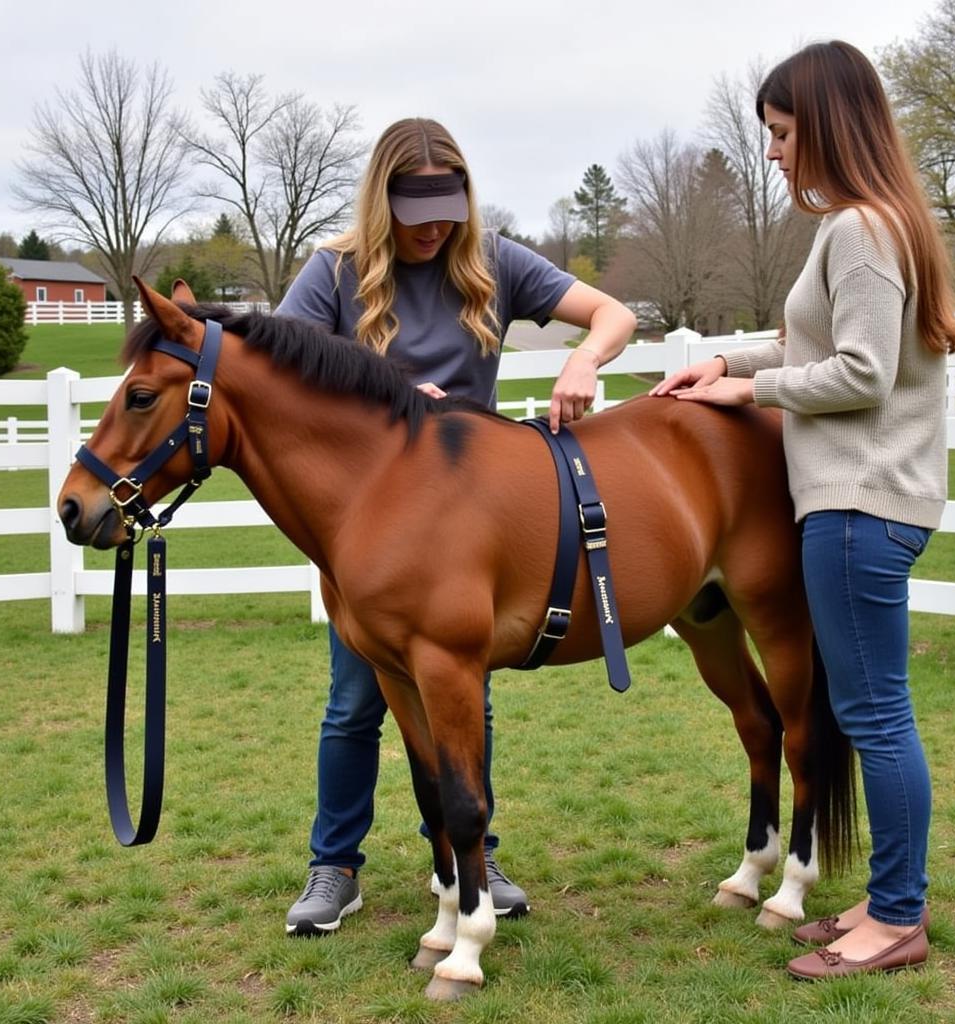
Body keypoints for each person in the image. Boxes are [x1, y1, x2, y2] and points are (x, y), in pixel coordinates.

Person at [276, 117, 636, 936]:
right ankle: (334, 867)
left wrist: (585, 357)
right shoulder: (335, 271)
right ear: (383, 202)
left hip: (467, 520)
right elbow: (282, 370)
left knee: (462, 695)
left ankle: (471, 856)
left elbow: (612, 313)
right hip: (374, 525)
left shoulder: (493, 261)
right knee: (352, 703)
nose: (433, 227)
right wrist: (386, 388)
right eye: (415, 211)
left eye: (447, 206)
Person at [650, 41, 955, 979]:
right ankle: (887, 896)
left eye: (783, 133)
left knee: (875, 716)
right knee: (874, 711)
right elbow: (805, 335)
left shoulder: (863, 229)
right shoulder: (869, 226)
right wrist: (724, 362)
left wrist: (751, 395)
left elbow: (861, 372)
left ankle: (897, 919)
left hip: (857, 506)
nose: (776, 151)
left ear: (825, 124)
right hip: (858, 504)